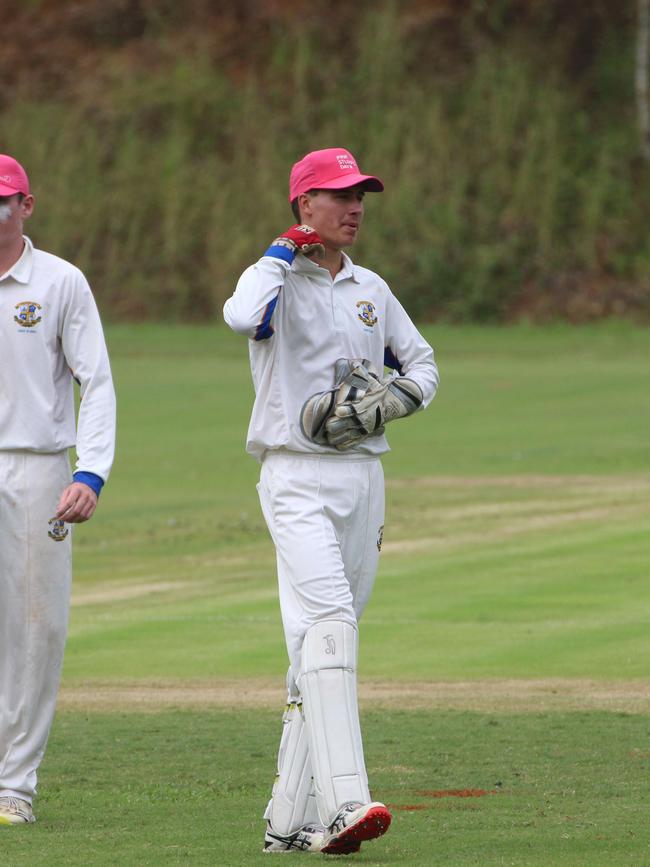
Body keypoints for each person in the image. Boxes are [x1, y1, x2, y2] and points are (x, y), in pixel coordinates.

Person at [223, 147, 438, 854]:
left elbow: (424, 362)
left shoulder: (371, 287)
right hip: (294, 474)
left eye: (361, 196)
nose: (355, 207)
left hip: (363, 477)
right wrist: (281, 250)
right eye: (339, 195)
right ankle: (346, 800)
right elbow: (238, 314)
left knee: (316, 647)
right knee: (331, 621)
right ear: (303, 203)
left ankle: (288, 821)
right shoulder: (275, 284)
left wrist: (396, 399)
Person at [0, 154, 116, 825]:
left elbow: (94, 381)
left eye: (4, 202)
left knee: (35, 627)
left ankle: (14, 782)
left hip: (39, 465)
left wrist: (89, 471)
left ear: (27, 206)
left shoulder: (61, 282)